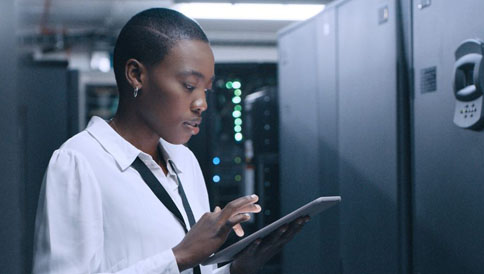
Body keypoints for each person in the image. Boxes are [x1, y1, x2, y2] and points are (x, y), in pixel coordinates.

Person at [32, 8, 308, 274]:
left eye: (206, 90)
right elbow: (180, 260)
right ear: (136, 75)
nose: (201, 104)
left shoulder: (184, 160)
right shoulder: (79, 163)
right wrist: (179, 257)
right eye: (189, 86)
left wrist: (235, 269)